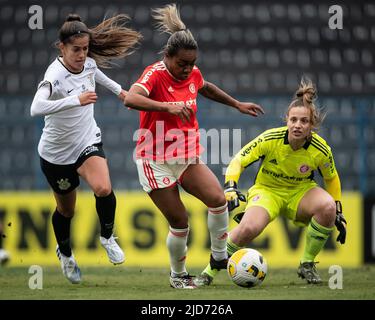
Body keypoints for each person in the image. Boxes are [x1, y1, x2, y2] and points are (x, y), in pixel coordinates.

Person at [124, 3, 264, 289]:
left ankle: (219, 256)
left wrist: (236, 103)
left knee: (218, 200)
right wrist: (168, 107)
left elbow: (205, 85)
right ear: (168, 56)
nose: (187, 69)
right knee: (180, 222)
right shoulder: (155, 73)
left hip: (186, 156)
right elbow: (130, 98)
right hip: (154, 159)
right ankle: (178, 276)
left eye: (191, 63)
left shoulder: (192, 73)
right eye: (182, 64)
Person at [195, 78, 347, 286]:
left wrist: (338, 209)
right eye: (294, 120)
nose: (297, 125)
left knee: (327, 207)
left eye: (304, 121)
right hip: (267, 191)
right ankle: (209, 272)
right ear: (287, 120)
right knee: (248, 228)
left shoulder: (321, 150)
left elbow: (331, 177)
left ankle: (307, 263)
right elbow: (238, 160)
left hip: (300, 192)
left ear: (312, 125)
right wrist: (230, 186)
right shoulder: (270, 138)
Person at [30, 14, 142, 284]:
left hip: (86, 141)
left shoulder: (89, 65)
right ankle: (66, 254)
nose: (81, 55)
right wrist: (74, 100)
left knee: (103, 188)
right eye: (75, 49)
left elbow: (100, 77)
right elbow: (36, 108)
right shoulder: (54, 75)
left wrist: (122, 93)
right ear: (62, 47)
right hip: (56, 154)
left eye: (84, 49)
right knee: (67, 211)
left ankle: (106, 237)